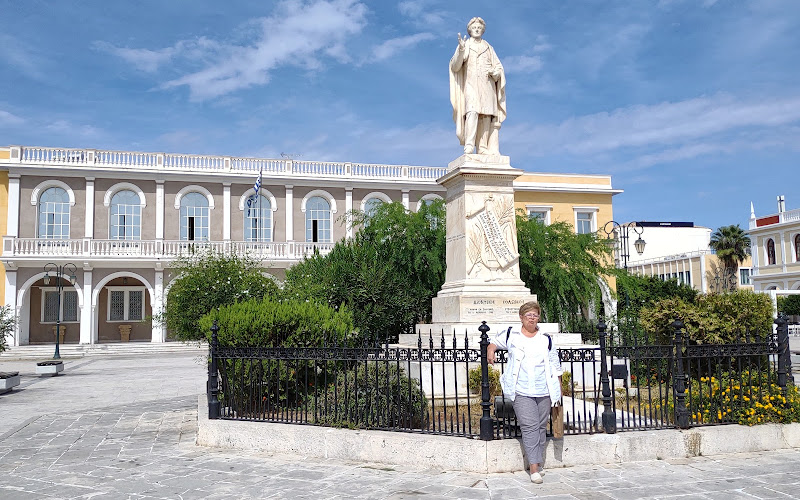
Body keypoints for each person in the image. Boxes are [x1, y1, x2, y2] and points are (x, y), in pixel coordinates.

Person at [487, 301, 562, 484]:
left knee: (540, 426)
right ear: (521, 317)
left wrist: (558, 391)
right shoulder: (512, 335)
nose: (532, 318)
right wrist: (491, 351)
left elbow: (555, 365)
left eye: (535, 315)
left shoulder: (546, 338)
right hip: (521, 389)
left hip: (543, 389)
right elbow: (493, 343)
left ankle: (537, 461)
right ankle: (534, 467)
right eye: (528, 315)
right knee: (529, 426)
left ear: (538, 317)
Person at [449, 17, 506, 155]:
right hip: (471, 85)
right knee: (472, 112)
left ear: (483, 30)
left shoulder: (488, 48)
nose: (476, 29)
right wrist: (461, 49)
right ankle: (469, 145)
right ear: (469, 30)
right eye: (474, 27)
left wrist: (496, 72)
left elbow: (499, 67)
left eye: (479, 28)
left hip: (487, 85)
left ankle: (482, 147)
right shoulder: (465, 45)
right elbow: (455, 67)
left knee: (486, 115)